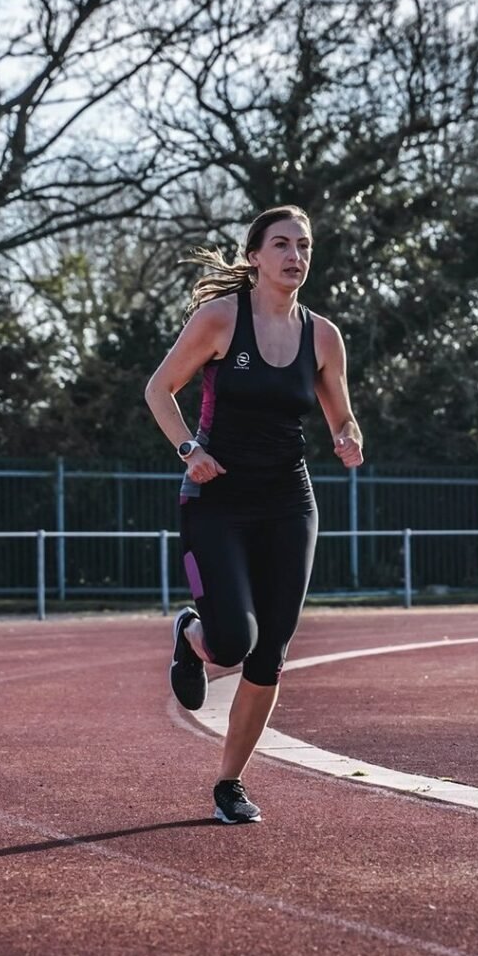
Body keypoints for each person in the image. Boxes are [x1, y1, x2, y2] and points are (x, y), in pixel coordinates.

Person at [145, 204, 363, 825]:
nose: (295, 255)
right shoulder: (218, 320)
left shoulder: (323, 335)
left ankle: (229, 783)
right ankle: (193, 634)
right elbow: (159, 390)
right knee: (232, 643)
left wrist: (349, 437)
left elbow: (341, 414)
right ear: (254, 257)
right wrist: (190, 450)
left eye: (304, 245)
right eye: (281, 245)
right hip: (216, 499)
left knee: (269, 653)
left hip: (289, 502)